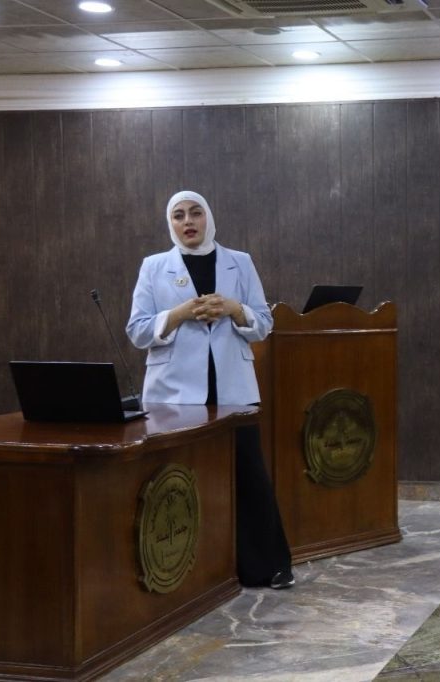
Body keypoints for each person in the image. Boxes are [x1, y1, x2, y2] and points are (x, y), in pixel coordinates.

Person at [126, 190, 294, 590]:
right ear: (171, 223)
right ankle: (190, 573)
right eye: (179, 215)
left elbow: (264, 323)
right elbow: (137, 330)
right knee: (180, 482)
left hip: (233, 387)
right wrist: (179, 314)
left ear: (208, 218)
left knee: (250, 477)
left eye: (195, 213)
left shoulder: (240, 262)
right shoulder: (154, 266)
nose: (188, 221)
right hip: (174, 393)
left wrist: (235, 309)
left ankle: (269, 566)